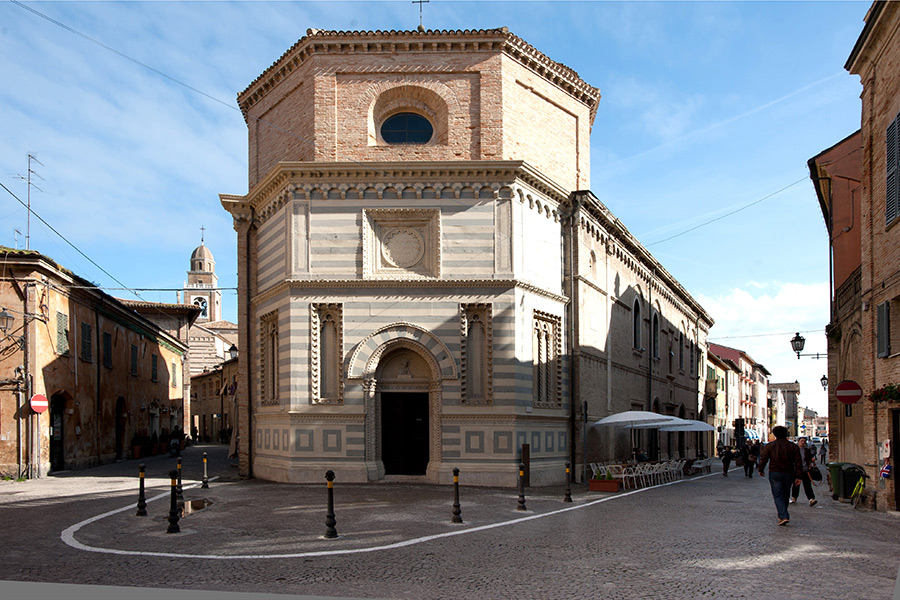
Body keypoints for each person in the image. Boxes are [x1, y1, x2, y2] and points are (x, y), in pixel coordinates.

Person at [758, 426, 803, 526]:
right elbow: (798, 462)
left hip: (775, 472)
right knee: (786, 494)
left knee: (778, 495)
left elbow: (763, 458)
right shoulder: (793, 446)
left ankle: (783, 515)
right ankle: (783, 514)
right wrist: (799, 476)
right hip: (788, 472)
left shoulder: (770, 446)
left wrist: (760, 469)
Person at [791, 437, 818, 506]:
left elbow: (809, 458)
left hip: (805, 470)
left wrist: (811, 462)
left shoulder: (806, 450)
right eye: (801, 441)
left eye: (804, 441)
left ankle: (811, 499)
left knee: (807, 485)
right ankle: (794, 497)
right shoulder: (794, 450)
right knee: (796, 484)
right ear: (798, 442)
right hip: (796, 470)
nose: (803, 442)